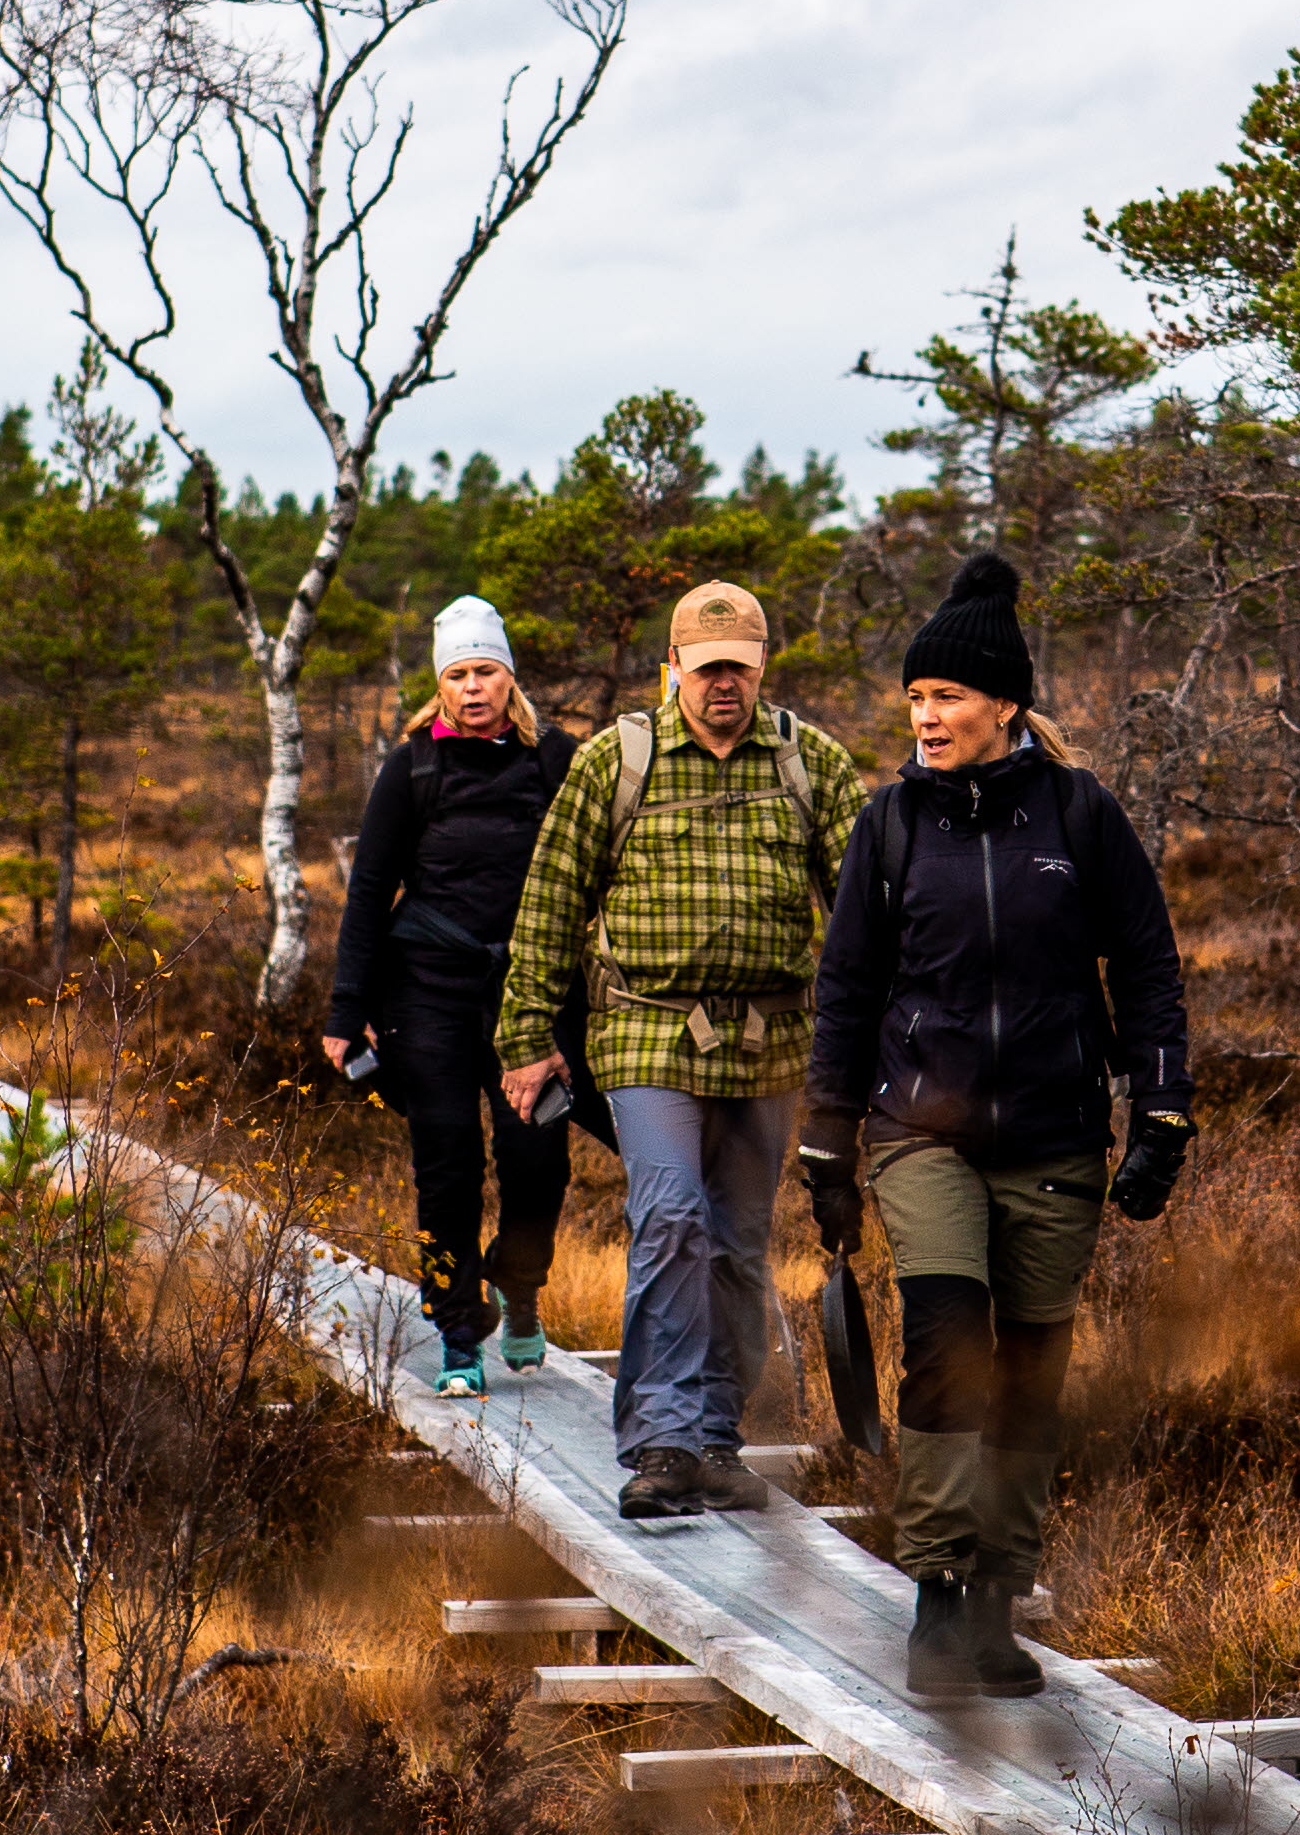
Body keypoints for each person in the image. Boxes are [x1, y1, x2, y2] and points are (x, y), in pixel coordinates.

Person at [799, 552, 1191, 1702]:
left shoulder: (1080, 815)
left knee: (1032, 1373)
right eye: (916, 699)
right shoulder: (888, 826)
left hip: (1059, 1140)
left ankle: (994, 1601)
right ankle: (932, 1586)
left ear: (1005, 704)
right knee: (948, 1337)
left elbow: (1151, 965)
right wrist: (828, 1141)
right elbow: (847, 989)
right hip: (922, 1129)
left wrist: (1163, 1106)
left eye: (948, 697)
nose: (926, 716)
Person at [497, 581, 863, 1517]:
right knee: (670, 1219)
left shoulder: (810, 764)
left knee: (741, 1244)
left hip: (770, 1039)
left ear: (762, 664)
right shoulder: (616, 760)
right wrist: (528, 1038)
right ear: (674, 669)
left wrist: (884, 1044)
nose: (721, 686)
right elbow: (547, 902)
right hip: (647, 1031)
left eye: (737, 666)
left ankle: (713, 1437)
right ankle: (660, 1441)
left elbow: (866, 917)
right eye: (704, 670)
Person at [322, 596, 580, 1397]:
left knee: (538, 1156)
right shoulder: (413, 766)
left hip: (526, 993)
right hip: (425, 989)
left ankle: (519, 1278)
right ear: (442, 685)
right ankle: (457, 1330)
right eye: (459, 674)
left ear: (510, 678)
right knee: (446, 1163)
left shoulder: (554, 760)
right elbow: (369, 890)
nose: (474, 688)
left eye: (487, 671)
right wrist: (344, 1006)